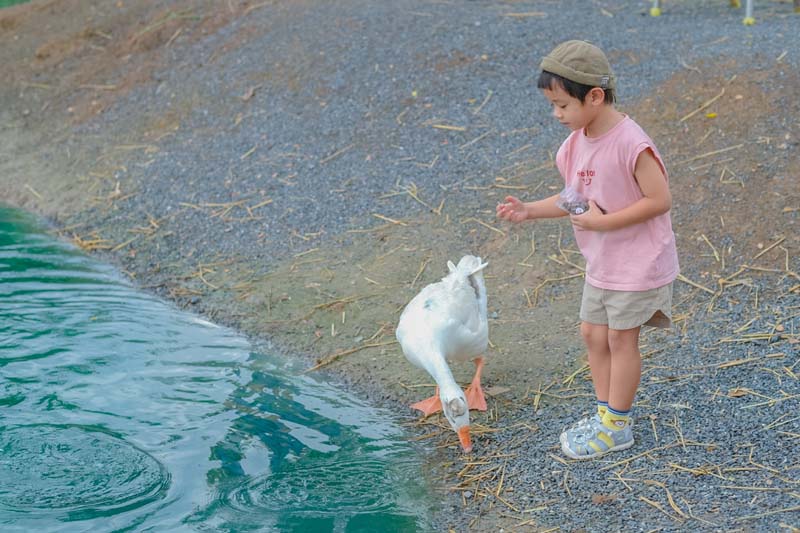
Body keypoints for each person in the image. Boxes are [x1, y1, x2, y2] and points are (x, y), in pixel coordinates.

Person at [496, 40, 679, 460]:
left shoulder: (631, 143)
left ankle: (617, 427)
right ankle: (604, 414)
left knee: (620, 338)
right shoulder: (575, 144)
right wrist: (530, 210)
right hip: (602, 262)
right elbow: (573, 198)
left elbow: (660, 200)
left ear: (594, 96)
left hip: (638, 261)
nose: (556, 114)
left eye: (562, 105)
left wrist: (602, 223)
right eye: (553, 105)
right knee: (592, 334)